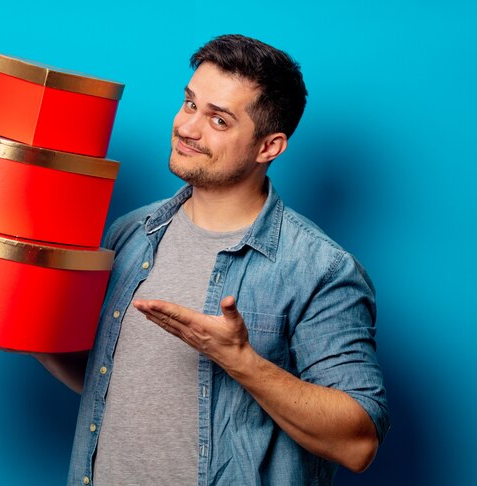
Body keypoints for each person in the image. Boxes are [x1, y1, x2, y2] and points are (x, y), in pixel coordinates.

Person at [31, 34, 389, 485]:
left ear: (269, 147)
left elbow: (358, 444)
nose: (187, 127)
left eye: (218, 120)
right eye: (189, 103)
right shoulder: (132, 233)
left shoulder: (321, 269)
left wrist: (241, 360)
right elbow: (113, 383)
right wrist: (36, 335)